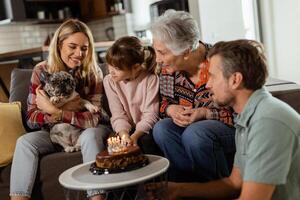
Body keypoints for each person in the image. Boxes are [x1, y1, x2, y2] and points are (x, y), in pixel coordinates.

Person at [164, 39, 300, 200]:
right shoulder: (245, 117)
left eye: (212, 76)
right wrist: (177, 190)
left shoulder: (268, 122)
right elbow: (233, 184)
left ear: (235, 79)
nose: (208, 84)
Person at [10, 19, 111, 200]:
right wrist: (57, 114)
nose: (79, 53)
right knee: (25, 142)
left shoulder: (93, 72)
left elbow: (94, 119)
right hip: (54, 132)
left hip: (85, 130)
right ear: (58, 45)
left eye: (84, 48)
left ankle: (96, 197)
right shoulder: (41, 71)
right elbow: (32, 118)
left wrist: (57, 111)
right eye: (72, 46)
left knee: (90, 136)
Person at [150, 9, 236, 182]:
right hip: (194, 130)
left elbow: (242, 112)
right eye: (156, 51)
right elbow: (164, 104)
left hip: (231, 128)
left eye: (162, 52)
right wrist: (171, 109)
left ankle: (216, 189)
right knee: (162, 129)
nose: (157, 59)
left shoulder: (223, 61)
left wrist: (205, 114)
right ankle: (187, 187)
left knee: (196, 133)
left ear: (187, 51)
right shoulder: (168, 70)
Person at [103, 36, 160, 154]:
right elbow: (118, 114)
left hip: (146, 129)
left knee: (146, 141)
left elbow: (150, 115)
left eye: (117, 68)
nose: (111, 71)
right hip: (124, 128)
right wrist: (124, 135)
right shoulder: (109, 81)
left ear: (136, 67)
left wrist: (135, 136)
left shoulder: (151, 80)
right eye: (110, 65)